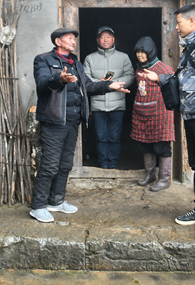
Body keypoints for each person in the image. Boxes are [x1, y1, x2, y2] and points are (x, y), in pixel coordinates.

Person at [139, 4, 195, 243]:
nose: (175, 27)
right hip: (192, 115)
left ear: (191, 21)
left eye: (178, 23)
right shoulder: (191, 47)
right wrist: (158, 77)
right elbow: (183, 79)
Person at [30, 27, 129, 223]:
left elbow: (88, 85)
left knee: (65, 164)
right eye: (69, 38)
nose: (73, 41)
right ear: (58, 41)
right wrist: (59, 78)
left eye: (74, 39)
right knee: (49, 165)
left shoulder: (75, 62)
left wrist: (109, 86)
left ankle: (56, 201)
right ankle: (38, 206)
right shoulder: (43, 60)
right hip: (54, 120)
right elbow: (42, 83)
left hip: (73, 120)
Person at [83, 26, 134, 169]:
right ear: (97, 40)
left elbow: (130, 75)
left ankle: (112, 163)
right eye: (102, 37)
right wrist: (99, 84)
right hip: (98, 105)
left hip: (117, 104)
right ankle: (103, 164)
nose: (105, 40)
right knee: (100, 137)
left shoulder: (123, 57)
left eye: (108, 37)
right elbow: (85, 79)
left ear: (113, 39)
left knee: (114, 137)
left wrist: (114, 84)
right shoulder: (90, 58)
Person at [131, 36, 175, 191]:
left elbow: (173, 90)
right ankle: (150, 175)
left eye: (143, 52)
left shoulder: (163, 69)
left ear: (151, 52)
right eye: (137, 52)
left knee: (161, 147)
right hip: (141, 112)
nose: (140, 55)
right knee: (144, 145)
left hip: (159, 114)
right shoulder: (138, 70)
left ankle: (164, 179)